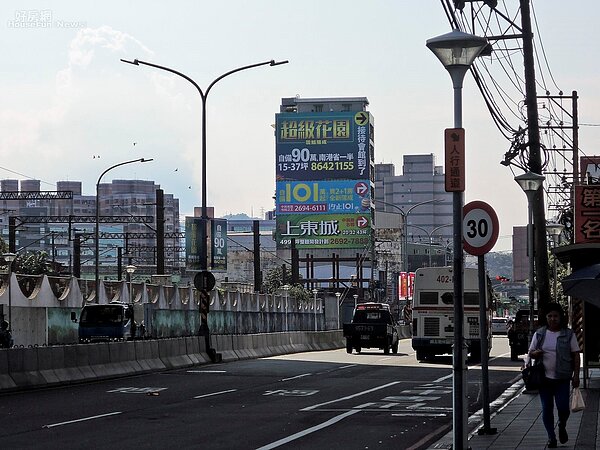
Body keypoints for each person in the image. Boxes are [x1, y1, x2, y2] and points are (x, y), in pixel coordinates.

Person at [528, 302, 580, 448]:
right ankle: (551, 437)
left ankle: (562, 425)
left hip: (562, 378)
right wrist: (535, 353)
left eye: (555, 316)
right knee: (547, 408)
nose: (553, 319)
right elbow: (530, 352)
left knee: (563, 407)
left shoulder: (569, 334)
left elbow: (576, 355)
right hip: (544, 378)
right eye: (550, 316)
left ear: (560, 317)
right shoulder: (540, 334)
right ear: (546, 318)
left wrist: (576, 375)